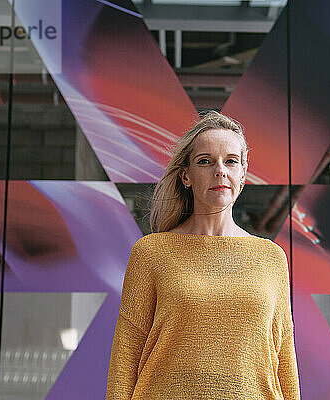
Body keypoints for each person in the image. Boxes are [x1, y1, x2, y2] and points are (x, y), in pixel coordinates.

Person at [106, 111, 301, 399]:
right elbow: (127, 351)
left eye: (231, 161)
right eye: (205, 161)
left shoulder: (271, 258)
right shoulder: (151, 252)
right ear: (186, 176)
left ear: (242, 175)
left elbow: (284, 356)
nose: (219, 170)